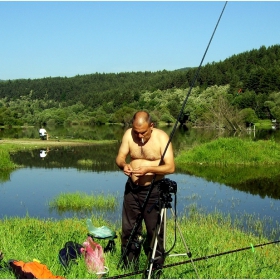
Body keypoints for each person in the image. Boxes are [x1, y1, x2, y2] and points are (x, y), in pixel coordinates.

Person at [115, 111, 175, 272]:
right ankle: (129, 268)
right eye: (137, 132)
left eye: (144, 132)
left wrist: (149, 168)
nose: (140, 137)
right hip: (132, 189)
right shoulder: (129, 135)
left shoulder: (162, 138)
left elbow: (170, 167)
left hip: (153, 190)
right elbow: (120, 157)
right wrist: (124, 165)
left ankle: (153, 271)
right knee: (129, 230)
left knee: (154, 232)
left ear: (152, 126)